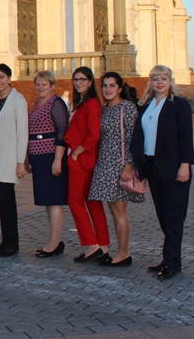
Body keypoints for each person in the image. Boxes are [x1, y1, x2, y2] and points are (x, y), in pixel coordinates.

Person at [130, 64, 194, 281]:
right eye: (156, 78)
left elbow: (186, 137)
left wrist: (185, 164)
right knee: (163, 216)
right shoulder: (147, 106)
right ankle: (169, 257)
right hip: (153, 167)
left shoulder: (179, 105)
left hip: (175, 169)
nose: (159, 82)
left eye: (164, 78)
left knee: (174, 217)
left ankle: (172, 263)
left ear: (170, 81)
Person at [89, 72, 143, 267]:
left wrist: (129, 165)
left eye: (112, 85)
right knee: (113, 210)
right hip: (105, 163)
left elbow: (133, 138)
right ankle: (121, 251)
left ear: (120, 88)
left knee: (120, 211)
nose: (108, 89)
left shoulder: (126, 108)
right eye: (105, 85)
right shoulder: (104, 109)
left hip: (120, 165)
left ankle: (123, 253)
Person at [0, 63, 28, 258]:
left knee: (7, 199)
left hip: (9, 155)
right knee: (1, 198)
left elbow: (22, 132)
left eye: (1, 77)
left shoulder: (17, 99)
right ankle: (5, 240)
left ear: (9, 78)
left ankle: (12, 243)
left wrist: (20, 161)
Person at [65, 66, 109, 262]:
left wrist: (77, 152)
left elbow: (94, 134)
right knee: (93, 203)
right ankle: (103, 246)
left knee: (75, 202)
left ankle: (92, 245)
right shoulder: (84, 103)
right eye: (76, 79)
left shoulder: (90, 104)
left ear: (90, 82)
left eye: (83, 79)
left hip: (81, 160)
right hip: (86, 160)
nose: (79, 83)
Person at [25, 70, 69, 258]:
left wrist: (58, 160)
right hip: (38, 158)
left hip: (51, 156)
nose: (40, 87)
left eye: (44, 84)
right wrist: (27, 157)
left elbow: (62, 131)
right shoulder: (36, 104)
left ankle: (53, 242)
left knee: (54, 200)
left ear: (52, 86)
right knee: (47, 201)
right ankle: (55, 240)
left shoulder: (56, 103)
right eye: (38, 84)